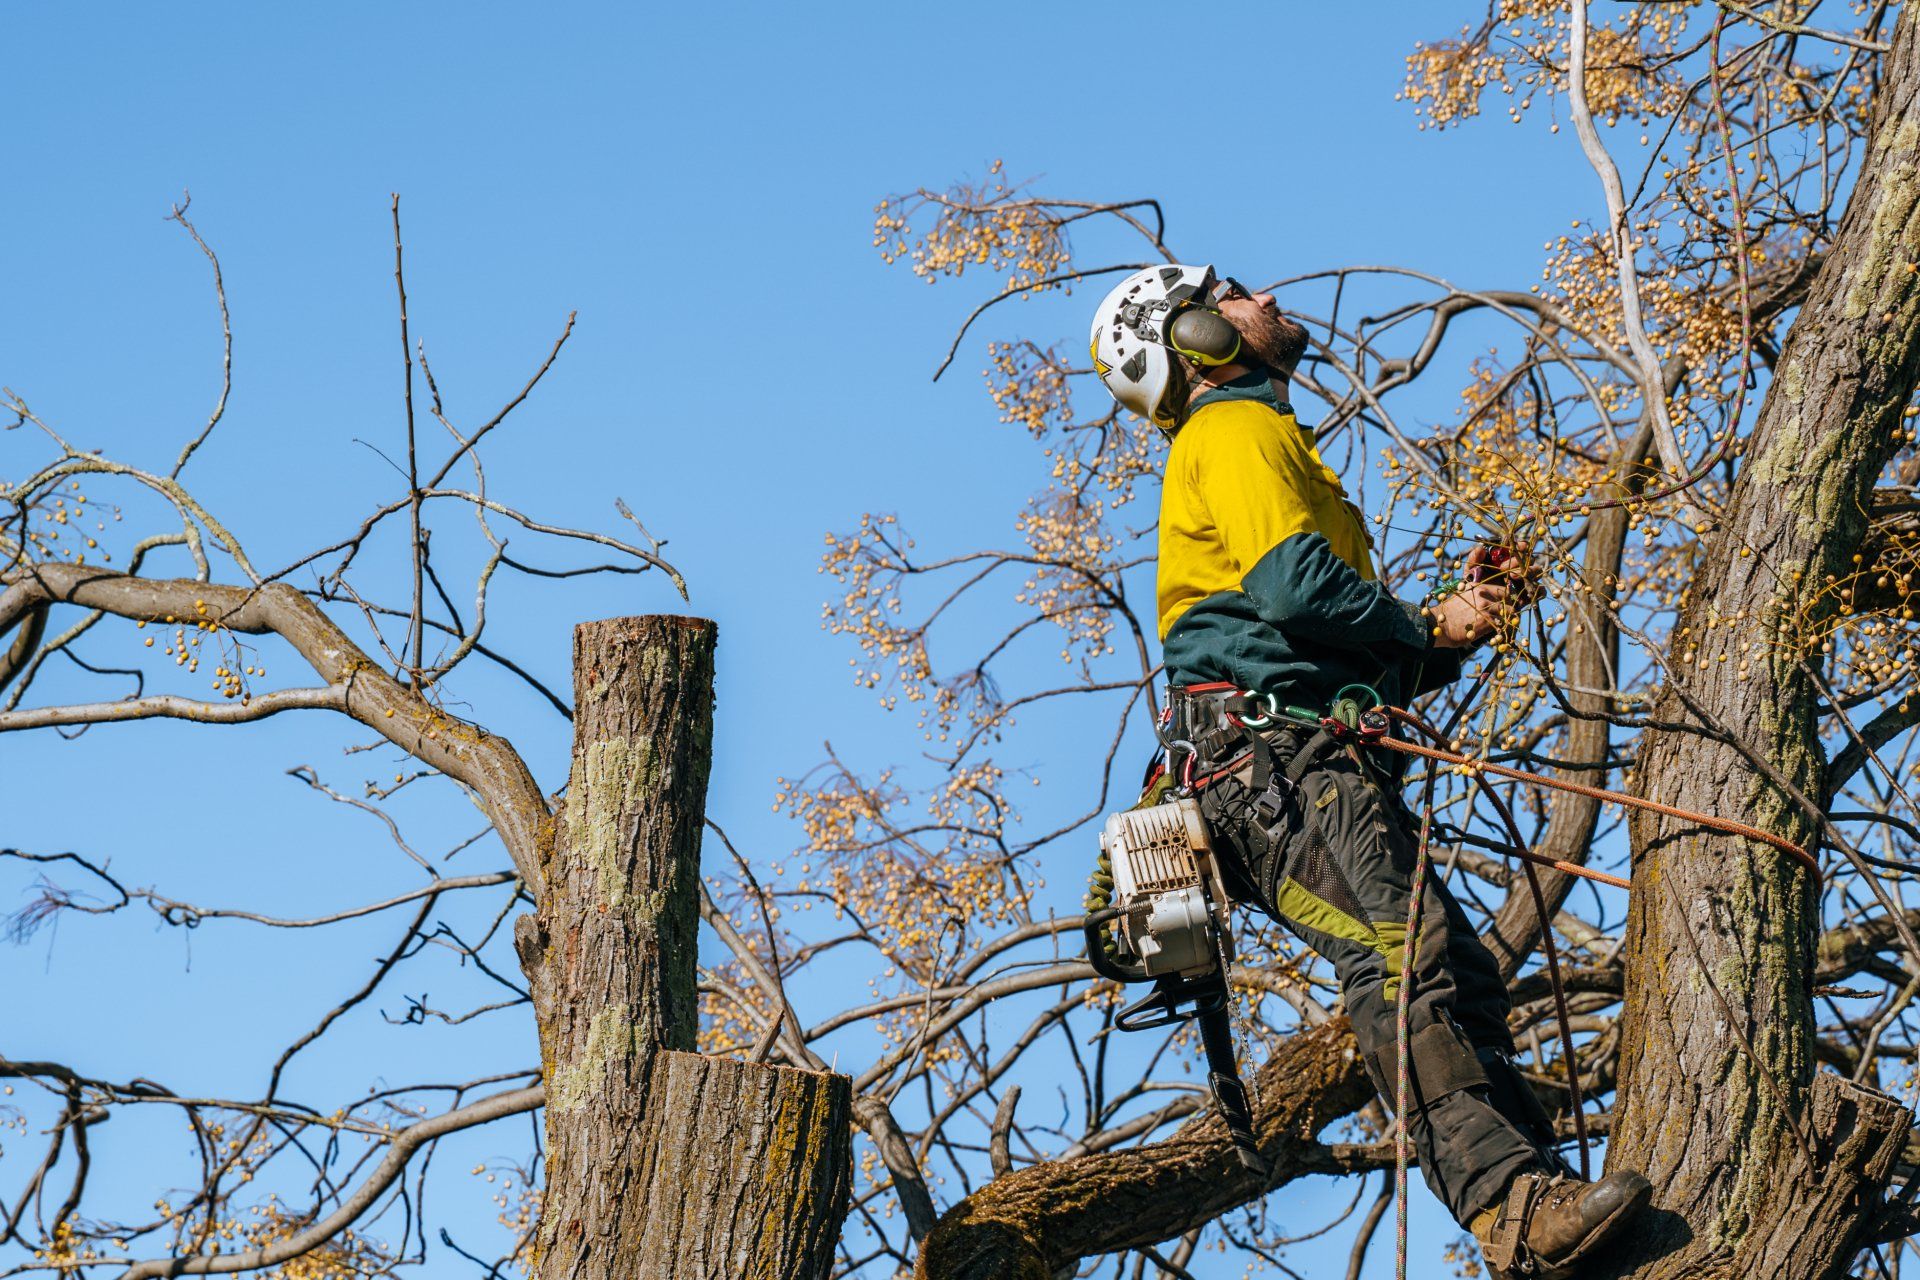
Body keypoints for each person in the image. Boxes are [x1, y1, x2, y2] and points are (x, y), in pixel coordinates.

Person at [1089, 264, 1651, 1278]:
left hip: (1302, 757)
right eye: (1237, 294)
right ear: (1199, 339)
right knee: (1401, 956)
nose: (1264, 300)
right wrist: (1424, 620)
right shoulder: (1233, 430)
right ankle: (1511, 1209)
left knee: (1457, 970)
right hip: (1273, 765)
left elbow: (1341, 642)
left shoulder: (1268, 443)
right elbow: (1296, 590)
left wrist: (1454, 624)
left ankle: (1547, 1203)